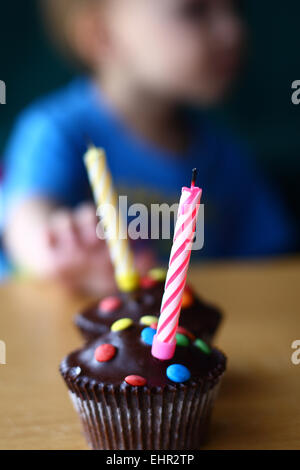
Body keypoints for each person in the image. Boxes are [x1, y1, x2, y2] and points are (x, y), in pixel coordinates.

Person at [1, 0, 296, 295]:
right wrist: (61, 250)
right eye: (194, 11)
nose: (234, 32)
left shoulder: (227, 154)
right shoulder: (58, 132)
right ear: (101, 35)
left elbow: (269, 268)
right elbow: (25, 221)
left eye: (236, 10)